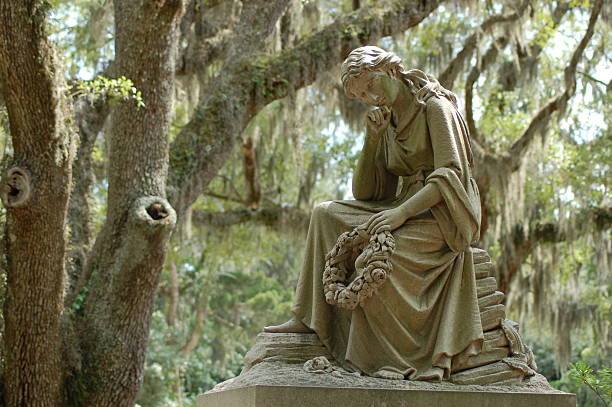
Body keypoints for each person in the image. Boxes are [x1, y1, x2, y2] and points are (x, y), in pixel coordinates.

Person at [265, 46, 483, 381]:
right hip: (401, 207)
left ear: (391, 69)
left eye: (371, 85)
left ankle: (394, 359)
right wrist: (373, 138)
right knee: (325, 214)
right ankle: (308, 318)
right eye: (362, 95)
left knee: (376, 258)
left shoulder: (435, 106)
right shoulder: (389, 119)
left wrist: (401, 215)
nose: (370, 97)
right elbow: (367, 194)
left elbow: (451, 175)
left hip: (440, 214)